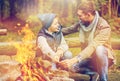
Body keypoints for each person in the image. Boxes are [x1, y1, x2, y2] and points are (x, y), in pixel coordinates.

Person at [59, 1, 114, 81]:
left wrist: (73, 60)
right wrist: (51, 31)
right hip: (89, 58)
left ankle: (103, 79)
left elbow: (93, 46)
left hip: (102, 58)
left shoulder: (104, 27)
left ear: (88, 15)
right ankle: (94, 74)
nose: (79, 18)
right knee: (71, 67)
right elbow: (67, 30)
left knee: (99, 49)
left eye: (80, 15)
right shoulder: (82, 24)